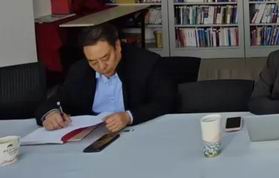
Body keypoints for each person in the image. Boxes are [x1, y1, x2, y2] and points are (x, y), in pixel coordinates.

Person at [35, 24, 175, 132]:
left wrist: (128, 117)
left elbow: (166, 101)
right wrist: (51, 114)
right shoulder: (79, 70)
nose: (101, 67)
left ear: (117, 46)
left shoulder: (146, 63)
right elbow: (56, 100)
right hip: (91, 136)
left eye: (105, 58)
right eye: (93, 62)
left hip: (137, 132)